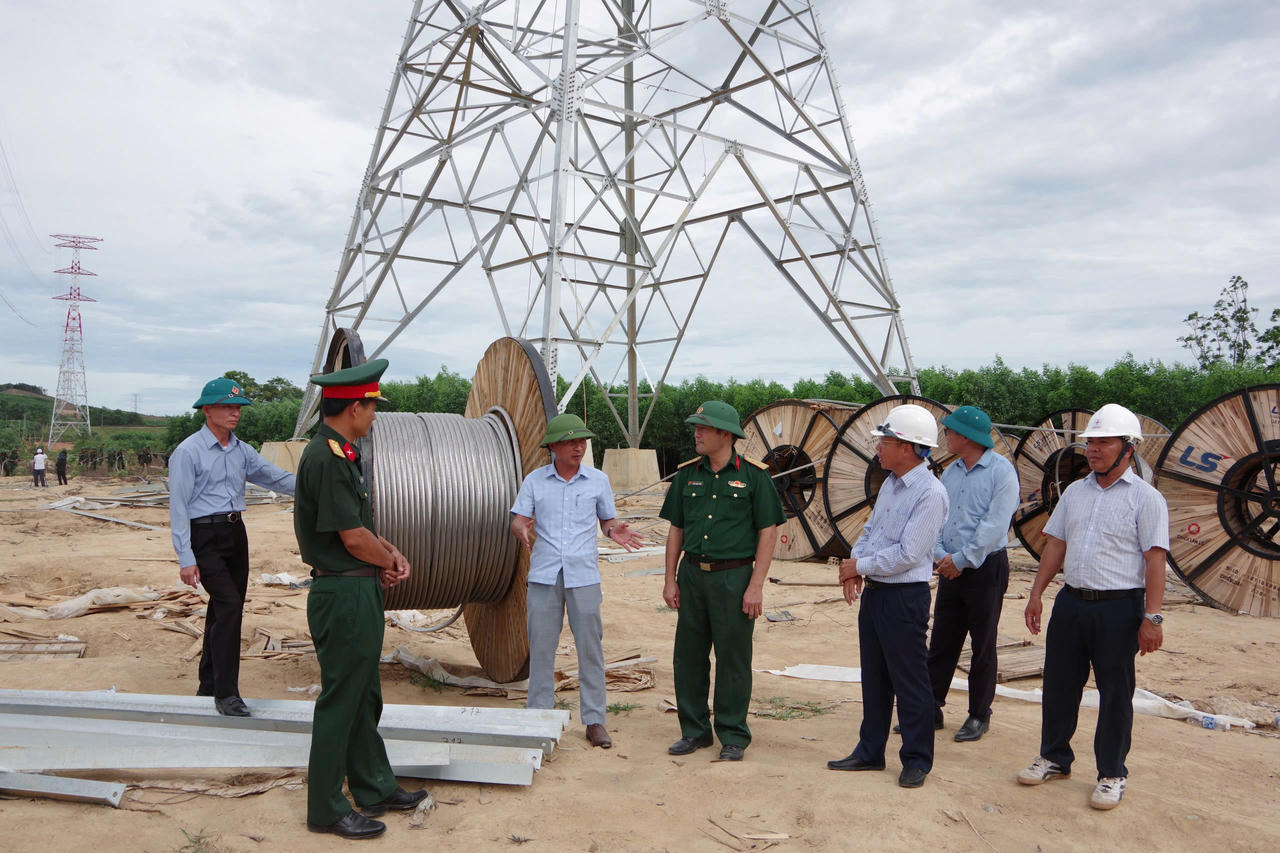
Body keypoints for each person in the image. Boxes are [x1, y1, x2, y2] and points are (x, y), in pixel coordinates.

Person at [295, 358, 426, 840]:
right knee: (341, 699)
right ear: (354, 407)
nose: (374, 417)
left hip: (357, 586)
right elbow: (351, 537)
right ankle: (326, 808)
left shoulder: (342, 453)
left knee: (364, 694)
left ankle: (373, 785)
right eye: (372, 407)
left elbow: (361, 529)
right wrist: (385, 561)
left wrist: (387, 553)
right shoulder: (328, 457)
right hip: (343, 592)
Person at [1019, 403, 1168, 811]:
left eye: (1104, 441)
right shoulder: (1075, 493)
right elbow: (1056, 544)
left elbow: (1156, 560)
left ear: (1128, 447)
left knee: (1115, 693)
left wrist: (1152, 617)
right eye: (1091, 442)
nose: (1094, 449)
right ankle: (1054, 757)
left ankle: (1111, 773)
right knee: (1060, 684)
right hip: (1072, 603)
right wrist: (1037, 593)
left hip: (1119, 608)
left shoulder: (1146, 499)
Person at [827, 404, 949, 788]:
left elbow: (909, 554)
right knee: (875, 678)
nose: (878, 446)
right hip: (878, 595)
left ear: (910, 447)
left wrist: (858, 568)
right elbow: (871, 532)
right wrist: (854, 563)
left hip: (904, 598)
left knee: (909, 679)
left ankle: (916, 759)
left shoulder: (930, 494)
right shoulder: (892, 486)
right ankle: (870, 751)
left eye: (886, 440)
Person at [660, 401, 785, 762]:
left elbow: (768, 531)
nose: (696, 434)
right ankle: (695, 731)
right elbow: (676, 530)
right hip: (693, 576)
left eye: (704, 428)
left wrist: (756, 585)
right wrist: (670, 579)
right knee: (689, 657)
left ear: (725, 434)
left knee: (732, 658)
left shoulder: (753, 477)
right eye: (695, 428)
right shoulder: (687, 475)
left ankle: (732, 734)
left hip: (734, 577)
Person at [510, 413, 643, 750]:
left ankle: (595, 720)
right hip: (544, 575)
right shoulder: (535, 482)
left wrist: (615, 531)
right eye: (571, 441)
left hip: (583, 576)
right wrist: (521, 527)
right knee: (541, 649)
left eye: (582, 441)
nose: (579, 447)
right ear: (553, 446)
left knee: (590, 649)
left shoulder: (598, 481)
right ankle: (539, 717)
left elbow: (608, 522)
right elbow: (519, 518)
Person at [168, 377, 296, 717]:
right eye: (227, 407)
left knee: (223, 608)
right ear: (207, 409)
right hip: (204, 537)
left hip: (235, 535)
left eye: (238, 408)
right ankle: (227, 694)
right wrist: (186, 557)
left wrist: (315, 485)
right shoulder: (188, 452)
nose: (234, 413)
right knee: (228, 607)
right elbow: (178, 507)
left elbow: (273, 477)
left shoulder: (241, 450)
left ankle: (208, 683)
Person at [924, 405, 1019, 742]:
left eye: (949, 431)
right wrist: (940, 555)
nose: (945, 436)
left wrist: (961, 559)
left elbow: (995, 526)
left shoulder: (1001, 473)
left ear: (966, 437)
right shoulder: (951, 473)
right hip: (950, 565)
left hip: (984, 568)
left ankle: (979, 714)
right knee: (942, 641)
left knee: (983, 645)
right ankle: (930, 708)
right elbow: (938, 516)